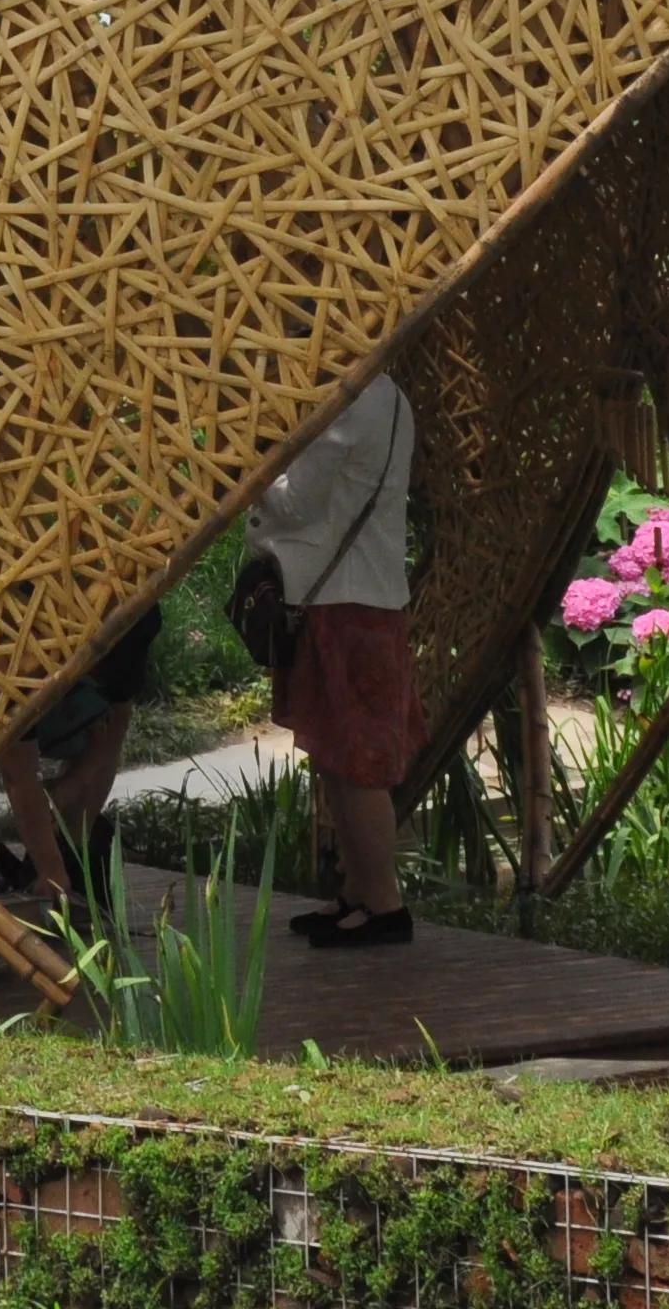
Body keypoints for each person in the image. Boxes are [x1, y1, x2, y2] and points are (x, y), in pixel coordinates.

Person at [250, 371, 417, 950]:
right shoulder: (390, 394)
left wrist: (250, 466)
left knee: (356, 765)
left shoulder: (352, 400)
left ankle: (384, 906)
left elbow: (297, 504)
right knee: (337, 759)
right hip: (360, 596)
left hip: (345, 600)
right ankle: (359, 895)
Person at [0, 600, 159, 912]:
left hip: (88, 638)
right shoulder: (15, 662)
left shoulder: (134, 627)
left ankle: (75, 853)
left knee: (103, 728)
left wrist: (74, 782)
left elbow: (117, 721)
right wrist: (52, 874)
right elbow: (18, 774)